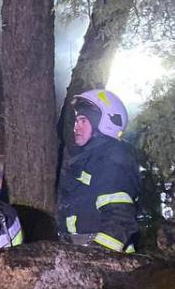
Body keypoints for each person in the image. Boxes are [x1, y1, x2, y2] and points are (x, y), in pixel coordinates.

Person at [56, 89, 140, 253]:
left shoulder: (113, 159)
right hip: (80, 250)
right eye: (76, 121)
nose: (76, 127)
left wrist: (98, 255)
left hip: (103, 254)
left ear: (103, 123)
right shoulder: (88, 158)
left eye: (83, 121)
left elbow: (120, 218)